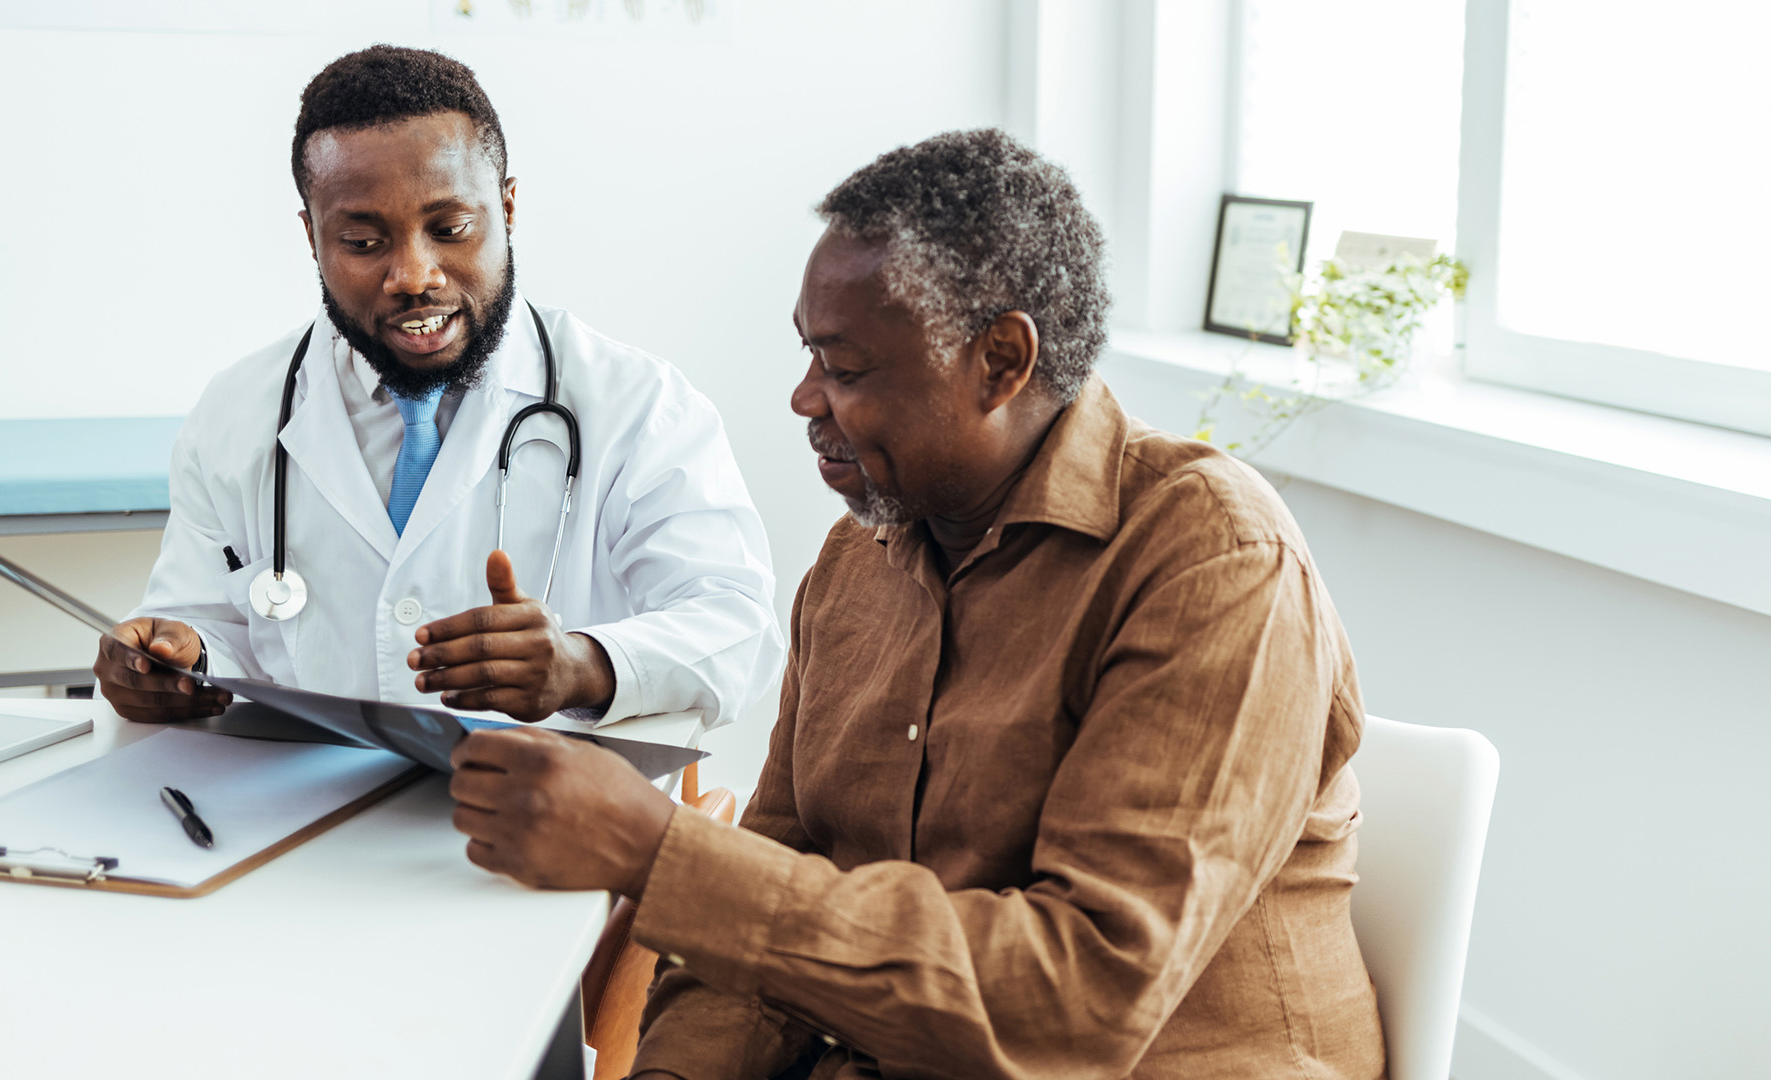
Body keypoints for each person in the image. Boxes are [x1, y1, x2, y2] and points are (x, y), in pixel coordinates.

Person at [447, 130, 1386, 1078]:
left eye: (846, 369)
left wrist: (658, 855)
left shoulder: (1213, 560)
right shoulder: (856, 562)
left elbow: (1086, 1003)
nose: (803, 398)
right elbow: (754, 931)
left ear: (1001, 361)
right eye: (809, 354)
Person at [94, 46, 782, 731]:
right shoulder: (237, 413)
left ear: (508, 207)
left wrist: (583, 665)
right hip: (315, 814)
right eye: (364, 243)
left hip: (553, 820)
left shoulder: (640, 405)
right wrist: (172, 661)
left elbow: (738, 628)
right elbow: (208, 624)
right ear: (312, 237)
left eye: (450, 229)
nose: (414, 275)